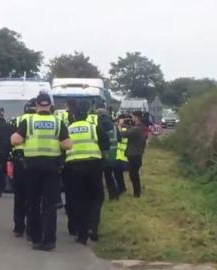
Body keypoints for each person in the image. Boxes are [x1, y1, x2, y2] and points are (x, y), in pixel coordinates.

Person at [10, 93, 72, 251]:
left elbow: (16, 140)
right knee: (49, 205)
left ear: (37, 105)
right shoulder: (57, 122)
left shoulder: (28, 121)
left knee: (33, 203)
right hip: (51, 167)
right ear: (50, 105)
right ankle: (50, 240)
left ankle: (35, 237)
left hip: (32, 167)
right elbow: (67, 145)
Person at [65, 101, 109, 245]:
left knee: (79, 201)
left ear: (74, 117)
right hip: (93, 166)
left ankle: (82, 234)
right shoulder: (93, 128)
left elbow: (62, 147)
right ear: (87, 117)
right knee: (96, 199)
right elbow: (105, 145)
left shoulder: (68, 129)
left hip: (74, 167)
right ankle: (93, 228)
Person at [10, 98, 36, 237]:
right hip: (36, 159)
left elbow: (10, 140)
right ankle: (33, 228)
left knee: (19, 195)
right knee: (35, 196)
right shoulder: (43, 121)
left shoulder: (17, 120)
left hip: (19, 160)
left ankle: (19, 227)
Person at [118, 111, 147, 198]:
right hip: (137, 153)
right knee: (134, 174)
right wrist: (124, 125)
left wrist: (119, 126)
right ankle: (136, 193)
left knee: (133, 174)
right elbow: (131, 128)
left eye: (133, 117)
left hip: (134, 154)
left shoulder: (137, 129)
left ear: (137, 118)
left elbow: (123, 134)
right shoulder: (140, 127)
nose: (131, 119)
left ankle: (136, 194)